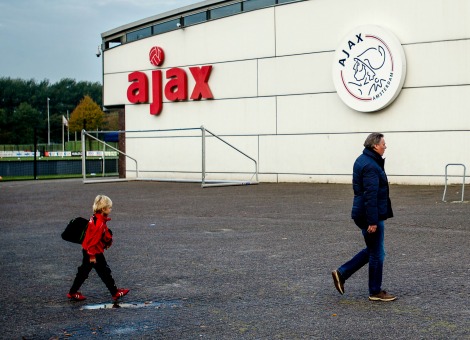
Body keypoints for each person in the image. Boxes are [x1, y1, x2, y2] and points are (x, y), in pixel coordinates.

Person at [332, 133, 397, 302]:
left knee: (374, 250)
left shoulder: (364, 159)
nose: (385, 146)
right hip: (369, 215)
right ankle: (375, 291)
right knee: (377, 253)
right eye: (383, 143)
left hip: (364, 213)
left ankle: (341, 273)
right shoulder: (370, 166)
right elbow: (371, 196)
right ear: (375, 146)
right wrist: (373, 221)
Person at [67, 195, 129, 301]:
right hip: (94, 252)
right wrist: (92, 255)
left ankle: (73, 292)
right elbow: (92, 240)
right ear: (103, 209)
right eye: (109, 207)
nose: (111, 209)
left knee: (87, 272)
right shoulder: (99, 223)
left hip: (90, 251)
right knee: (102, 272)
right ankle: (115, 292)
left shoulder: (95, 218)